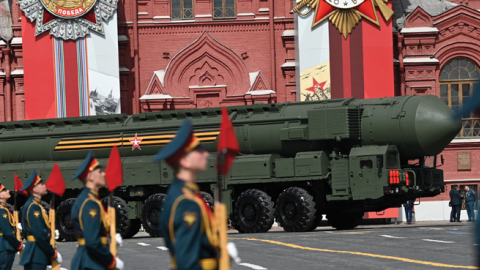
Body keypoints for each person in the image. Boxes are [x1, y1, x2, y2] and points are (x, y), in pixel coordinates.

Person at [156, 120, 238, 270]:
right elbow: (187, 263)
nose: (206, 153)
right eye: (199, 150)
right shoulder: (186, 202)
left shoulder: (186, 195)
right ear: (185, 161)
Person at [70, 151, 124, 270]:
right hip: (90, 261)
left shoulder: (91, 199)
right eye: (100, 171)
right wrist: (111, 261)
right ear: (90, 176)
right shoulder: (89, 203)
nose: (104, 174)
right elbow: (92, 241)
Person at [19, 170, 62, 270]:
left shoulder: (35, 204)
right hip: (36, 253)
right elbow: (39, 234)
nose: (44, 185)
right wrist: (52, 253)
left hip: (35, 252)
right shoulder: (34, 207)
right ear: (35, 189)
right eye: (41, 184)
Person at [0, 182, 23, 270]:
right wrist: (18, 245)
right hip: (5, 247)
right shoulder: (2, 211)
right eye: (4, 190)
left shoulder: (4, 209)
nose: (8, 191)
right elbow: (7, 232)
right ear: (0, 196)